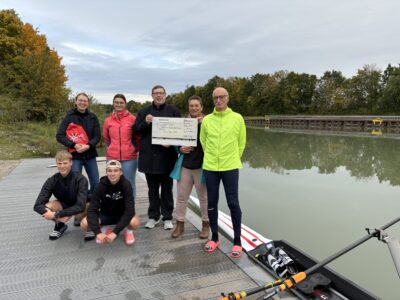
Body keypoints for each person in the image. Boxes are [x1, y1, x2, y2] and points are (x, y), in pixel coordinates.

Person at [200, 87, 246, 259]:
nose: (218, 100)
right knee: (211, 202)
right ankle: (214, 237)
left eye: (221, 97)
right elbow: (203, 142)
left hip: (231, 167)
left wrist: (232, 158)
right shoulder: (207, 120)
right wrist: (212, 158)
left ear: (227, 98)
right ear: (213, 100)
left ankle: (237, 242)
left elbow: (242, 142)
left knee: (233, 203)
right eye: (215, 98)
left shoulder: (237, 118)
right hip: (211, 167)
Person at [134, 85, 181, 230]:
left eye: (161, 93)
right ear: (152, 95)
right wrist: (146, 122)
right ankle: (153, 216)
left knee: (167, 189)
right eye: (156, 93)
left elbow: (180, 132)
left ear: (165, 95)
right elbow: (136, 130)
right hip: (149, 158)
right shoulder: (144, 112)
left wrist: (171, 143)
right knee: (152, 190)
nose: (159, 95)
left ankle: (167, 217)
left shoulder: (173, 111)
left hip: (167, 157)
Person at [56, 92, 100, 226]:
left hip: (90, 155)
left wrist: (88, 146)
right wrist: (74, 145)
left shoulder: (93, 117)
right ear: (75, 102)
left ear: (88, 103)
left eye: (85, 101)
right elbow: (59, 135)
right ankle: (78, 214)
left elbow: (97, 136)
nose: (83, 103)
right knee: (76, 186)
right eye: (80, 100)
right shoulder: (69, 116)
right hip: (75, 156)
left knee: (95, 184)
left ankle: (93, 211)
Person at [170, 95, 209, 239]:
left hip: (201, 167)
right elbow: (174, 141)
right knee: (181, 198)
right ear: (188, 107)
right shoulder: (183, 123)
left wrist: (204, 123)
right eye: (191, 106)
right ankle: (180, 225)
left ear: (201, 107)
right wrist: (180, 148)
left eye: (196, 105)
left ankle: (206, 225)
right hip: (185, 166)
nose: (194, 108)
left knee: (204, 198)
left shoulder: (209, 122)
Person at [80, 160, 140, 245]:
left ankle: (128, 231)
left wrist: (115, 232)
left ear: (121, 172)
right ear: (106, 172)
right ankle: (105, 228)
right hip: (105, 215)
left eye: (116, 170)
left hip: (121, 215)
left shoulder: (126, 185)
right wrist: (97, 232)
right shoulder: (100, 186)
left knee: (135, 222)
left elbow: (130, 211)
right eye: (110, 171)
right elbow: (92, 210)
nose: (112, 174)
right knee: (84, 224)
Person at [33, 150, 88, 240]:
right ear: (56, 164)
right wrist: (52, 214)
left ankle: (84, 222)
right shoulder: (52, 180)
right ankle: (60, 225)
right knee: (48, 206)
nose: (62, 166)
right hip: (64, 204)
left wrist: (57, 215)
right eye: (59, 163)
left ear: (71, 163)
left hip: (80, 205)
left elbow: (80, 206)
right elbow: (37, 205)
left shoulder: (81, 179)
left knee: (87, 210)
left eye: (65, 163)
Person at [103, 93, 140, 199]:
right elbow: (106, 138)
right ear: (113, 104)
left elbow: (138, 137)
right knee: (113, 184)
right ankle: (116, 208)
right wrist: (111, 148)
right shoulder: (108, 120)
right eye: (116, 102)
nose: (119, 104)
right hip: (112, 157)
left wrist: (133, 148)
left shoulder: (132, 119)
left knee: (129, 184)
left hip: (129, 158)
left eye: (121, 102)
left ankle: (130, 208)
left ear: (125, 104)